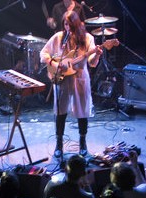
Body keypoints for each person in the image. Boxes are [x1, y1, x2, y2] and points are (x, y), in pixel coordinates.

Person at [40, 10, 103, 159]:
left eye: (70, 24)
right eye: (65, 24)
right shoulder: (58, 37)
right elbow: (43, 54)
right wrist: (53, 64)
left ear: (77, 24)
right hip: (62, 78)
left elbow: (92, 63)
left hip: (80, 78)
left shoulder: (87, 38)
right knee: (60, 111)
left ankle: (82, 143)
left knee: (82, 111)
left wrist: (97, 54)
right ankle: (59, 144)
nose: (68, 27)